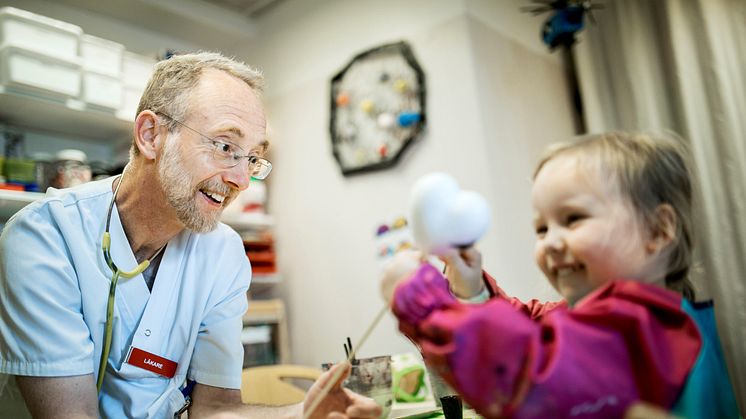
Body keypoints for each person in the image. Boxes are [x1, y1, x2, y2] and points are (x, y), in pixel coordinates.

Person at [0, 52, 380, 419]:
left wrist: (303, 415)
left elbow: (215, 409)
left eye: (252, 158)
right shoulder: (45, 238)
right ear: (151, 135)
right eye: (225, 146)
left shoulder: (224, 253)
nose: (241, 180)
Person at [381, 132, 739, 418]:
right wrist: (472, 290)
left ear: (658, 231)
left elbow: (525, 367)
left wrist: (422, 303)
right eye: (541, 228)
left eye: (573, 219)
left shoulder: (631, 325)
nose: (551, 241)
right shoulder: (621, 316)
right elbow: (532, 328)